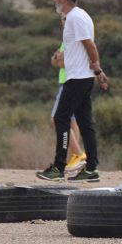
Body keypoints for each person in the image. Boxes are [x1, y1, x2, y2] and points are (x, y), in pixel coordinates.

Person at [37, 0, 108, 183]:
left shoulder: (75, 18)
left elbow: (90, 45)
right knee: (86, 122)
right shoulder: (75, 16)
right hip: (81, 76)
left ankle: (59, 167)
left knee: (61, 118)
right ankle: (92, 168)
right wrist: (96, 70)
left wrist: (98, 69)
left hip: (77, 77)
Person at [50, 19, 86, 176]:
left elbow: (61, 60)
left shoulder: (72, 40)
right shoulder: (73, 39)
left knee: (57, 119)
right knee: (72, 121)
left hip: (69, 83)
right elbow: (56, 59)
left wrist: (59, 59)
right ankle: (76, 156)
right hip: (74, 82)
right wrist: (58, 58)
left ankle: (78, 154)